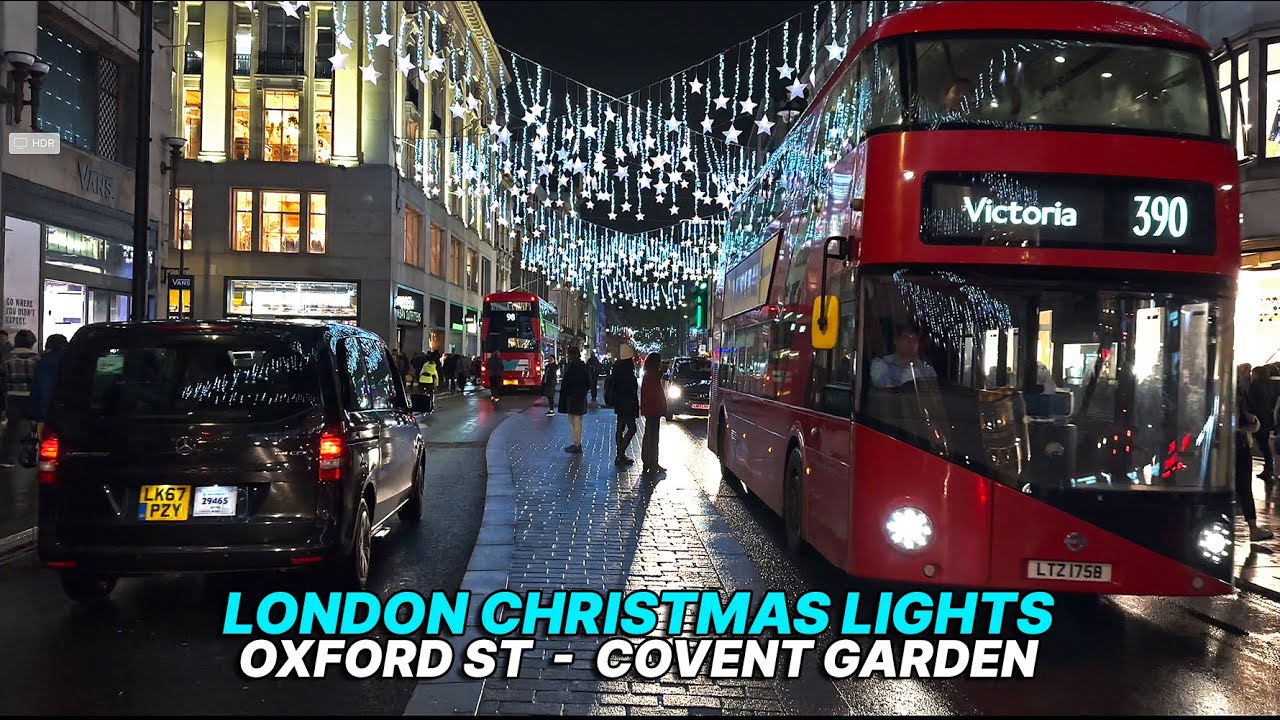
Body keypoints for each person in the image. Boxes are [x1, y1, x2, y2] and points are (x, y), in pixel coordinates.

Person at [1237, 364, 1274, 541]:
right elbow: (1248, 416)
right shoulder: (1242, 391)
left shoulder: (1245, 389)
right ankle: (1253, 527)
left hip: (1230, 442)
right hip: (1240, 441)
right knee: (1244, 485)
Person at [0, 330, 41, 467]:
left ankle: (6, 458)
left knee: (12, 428)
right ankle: (29, 455)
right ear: (31, 343)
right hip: (31, 397)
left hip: (12, 396)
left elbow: (3, 380)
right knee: (33, 427)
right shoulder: (36, 360)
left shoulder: (7, 359)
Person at [870, 325, 938, 389]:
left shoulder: (927, 370)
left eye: (915, 339)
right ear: (896, 340)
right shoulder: (880, 366)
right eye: (906, 337)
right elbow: (891, 394)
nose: (911, 342)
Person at [30, 333, 68, 434]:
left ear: (48, 346)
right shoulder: (74, 361)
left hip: (47, 412)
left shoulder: (44, 362)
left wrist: (34, 415)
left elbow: (37, 390)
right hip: (71, 413)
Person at [639, 351, 670, 476]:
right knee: (653, 437)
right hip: (654, 410)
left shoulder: (648, 375)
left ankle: (649, 462)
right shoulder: (654, 375)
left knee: (649, 436)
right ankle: (652, 462)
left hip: (650, 410)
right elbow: (657, 394)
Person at [610, 345, 640, 467]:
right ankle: (620, 454)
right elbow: (631, 389)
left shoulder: (617, 369)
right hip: (628, 404)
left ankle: (620, 455)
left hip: (619, 403)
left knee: (620, 429)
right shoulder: (627, 371)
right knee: (632, 429)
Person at [558, 347, 591, 453]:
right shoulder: (576, 367)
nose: (569, 357)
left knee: (576, 421)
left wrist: (580, 391)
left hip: (576, 397)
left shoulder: (577, 367)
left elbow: (588, 382)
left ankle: (577, 443)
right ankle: (576, 442)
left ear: (575, 355)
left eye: (570, 354)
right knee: (574, 420)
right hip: (574, 397)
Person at [1250, 366, 1275, 492]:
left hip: (1257, 418)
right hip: (1266, 418)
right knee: (1265, 445)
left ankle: (1268, 468)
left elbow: (1251, 402)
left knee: (1261, 444)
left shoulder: (1255, 385)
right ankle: (1269, 467)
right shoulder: (1269, 386)